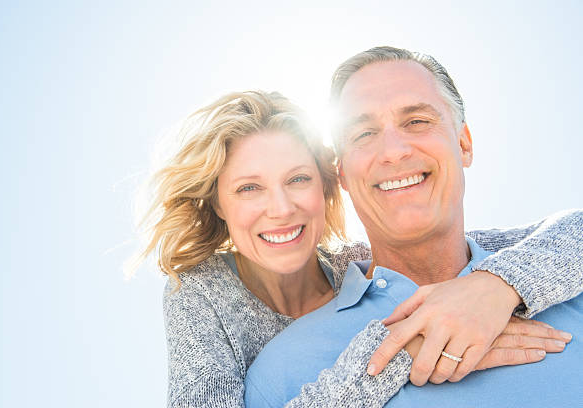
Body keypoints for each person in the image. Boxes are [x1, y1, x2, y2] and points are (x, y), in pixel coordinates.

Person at [131, 90, 580, 408]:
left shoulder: (357, 265)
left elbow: (552, 239)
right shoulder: (200, 292)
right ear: (218, 204)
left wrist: (496, 285)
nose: (281, 208)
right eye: (249, 188)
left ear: (329, 186)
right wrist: (398, 351)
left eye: (298, 179)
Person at [243, 46, 583, 407]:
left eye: (417, 121)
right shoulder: (281, 373)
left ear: (464, 144)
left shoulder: (569, 289)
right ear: (341, 173)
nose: (393, 151)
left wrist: (498, 283)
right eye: (363, 134)